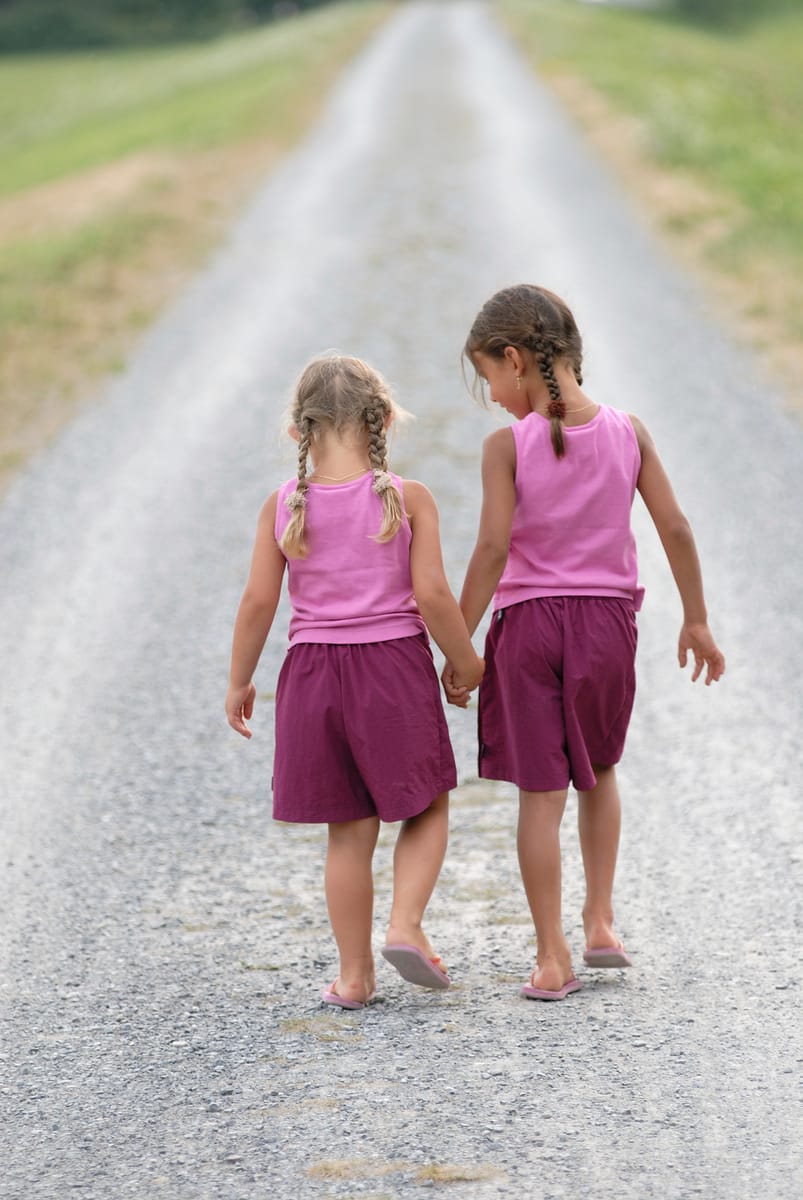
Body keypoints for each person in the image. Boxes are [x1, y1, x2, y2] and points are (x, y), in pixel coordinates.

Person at [443, 284, 725, 1002]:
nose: (494, 397)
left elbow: (491, 548)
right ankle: (600, 922)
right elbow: (677, 529)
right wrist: (694, 618)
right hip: (606, 628)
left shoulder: (505, 446)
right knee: (597, 772)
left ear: (514, 359)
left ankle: (549, 956)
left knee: (541, 796)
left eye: (489, 379)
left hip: (528, 630)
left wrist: (461, 648)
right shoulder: (629, 432)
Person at [226, 353, 484, 1010]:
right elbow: (430, 593)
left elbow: (258, 602)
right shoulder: (406, 497)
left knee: (347, 830)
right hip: (391, 668)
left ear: (297, 431)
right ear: (384, 421)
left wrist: (240, 681)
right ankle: (405, 924)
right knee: (424, 805)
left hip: (312, 678)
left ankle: (354, 976)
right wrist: (465, 660)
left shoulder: (283, 505)